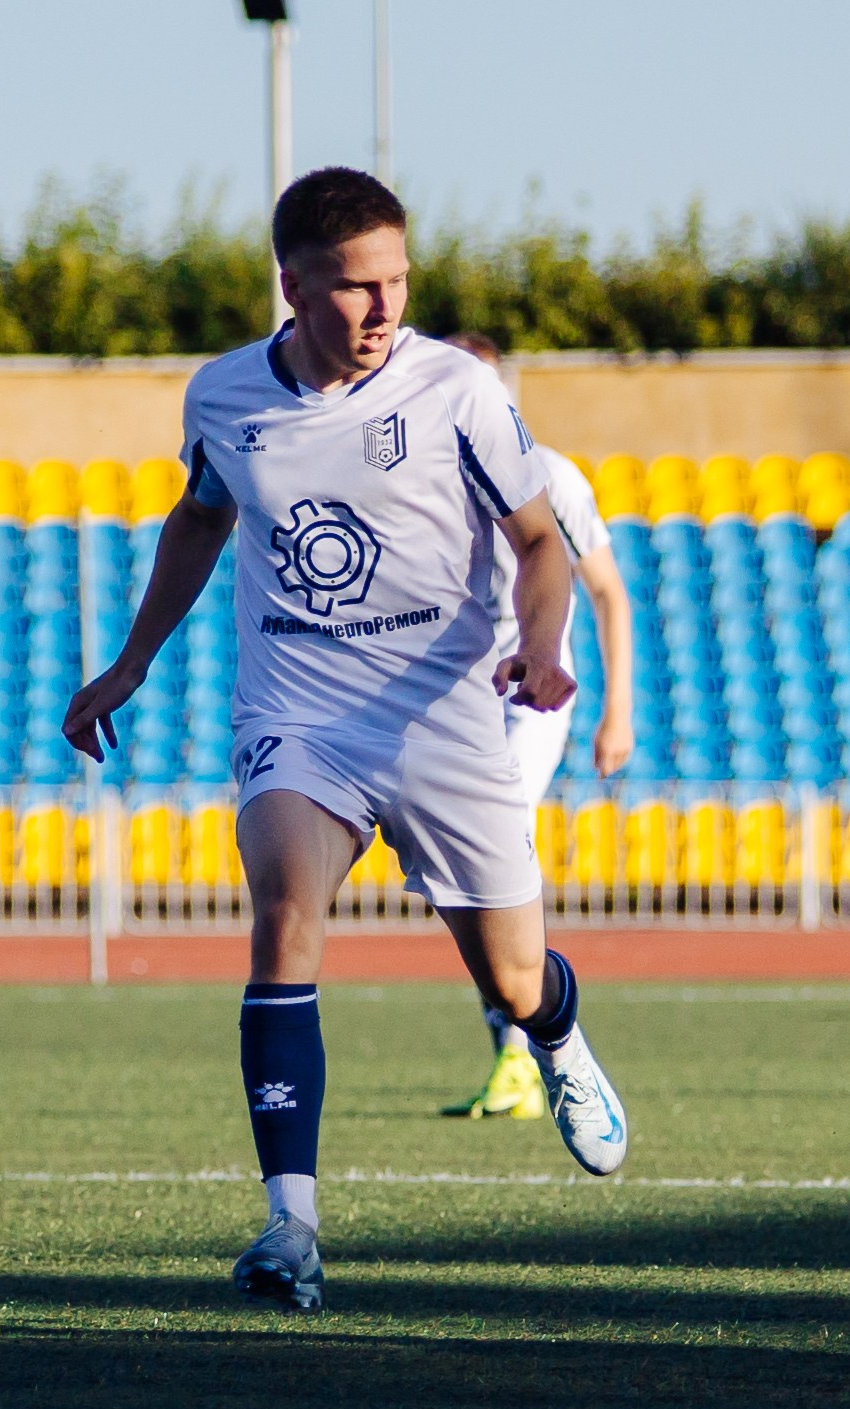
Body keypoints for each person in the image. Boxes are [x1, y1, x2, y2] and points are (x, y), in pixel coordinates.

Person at [62, 167, 629, 1313]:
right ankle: (292, 1227)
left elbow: (541, 543)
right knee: (283, 916)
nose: (382, 308)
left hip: (444, 719)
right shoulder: (226, 396)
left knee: (513, 979)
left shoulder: (455, 390)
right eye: (356, 287)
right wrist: (131, 660)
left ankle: (558, 1036)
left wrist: (541, 648)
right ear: (294, 287)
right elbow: (201, 517)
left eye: (397, 282)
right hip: (301, 718)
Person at [434, 332, 636, 1121]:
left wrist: (618, 710)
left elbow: (607, 591)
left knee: (495, 838)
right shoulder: (419, 476)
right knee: (459, 867)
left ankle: (533, 1045)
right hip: (451, 699)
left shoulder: (550, 475)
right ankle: (517, 1043)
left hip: (530, 696)